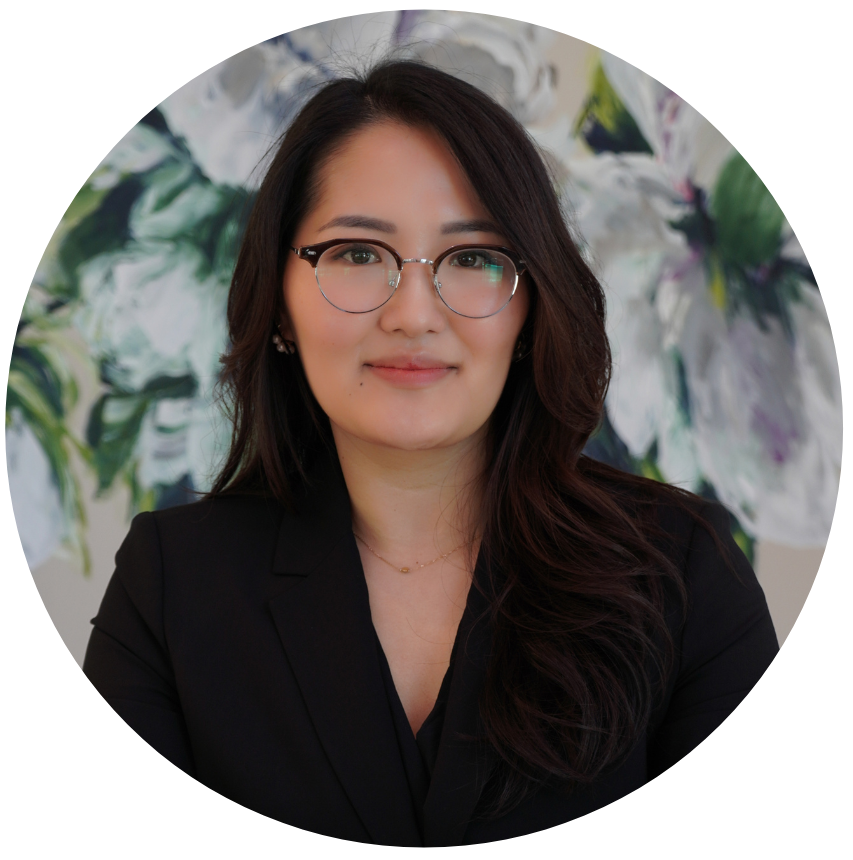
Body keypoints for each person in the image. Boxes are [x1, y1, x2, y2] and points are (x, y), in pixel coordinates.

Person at [82, 60, 779, 847]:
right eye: (354, 253)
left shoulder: (682, 572)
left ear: (529, 309)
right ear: (279, 302)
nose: (413, 314)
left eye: (473, 259)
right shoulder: (172, 583)